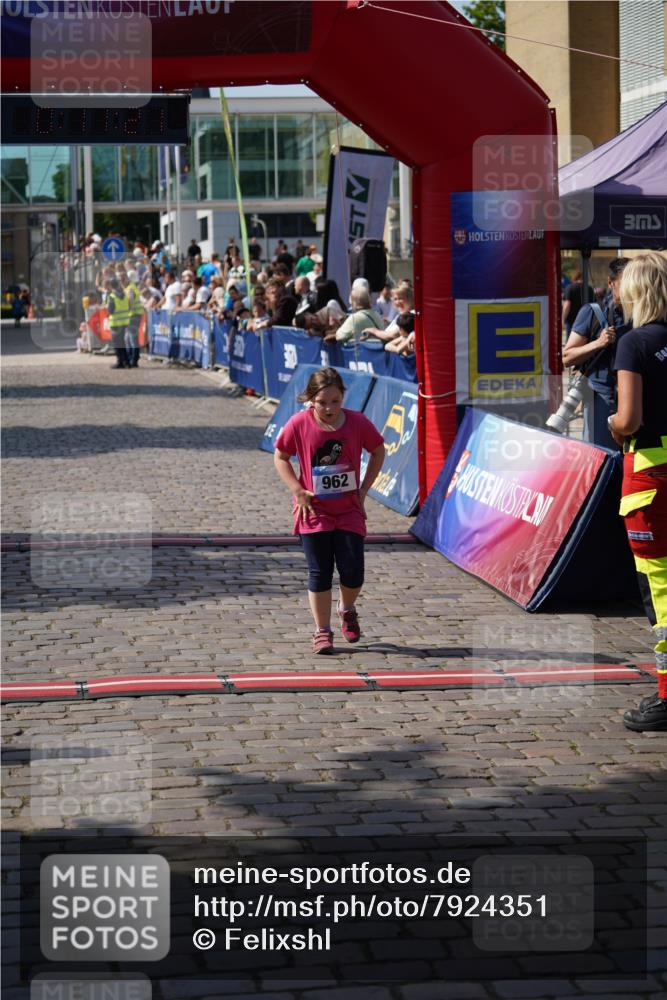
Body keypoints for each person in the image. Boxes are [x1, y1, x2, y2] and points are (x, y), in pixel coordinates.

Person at [274, 367, 385, 654]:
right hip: (313, 511)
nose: (329, 408)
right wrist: (297, 490)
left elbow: (378, 450)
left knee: (353, 572)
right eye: (322, 402)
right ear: (311, 399)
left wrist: (363, 490)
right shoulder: (299, 423)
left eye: (335, 401)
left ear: (343, 397)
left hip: (348, 510)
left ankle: (346, 608)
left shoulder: (358, 423)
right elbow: (281, 456)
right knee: (319, 572)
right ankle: (322, 630)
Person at [607, 252, 667, 732]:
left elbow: (628, 420)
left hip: (650, 475)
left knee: (661, 590)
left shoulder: (634, 343)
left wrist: (611, 422)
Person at [562, 258, 632, 448]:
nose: (630, 289)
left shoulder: (643, 314)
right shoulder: (592, 312)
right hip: (601, 399)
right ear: (611, 282)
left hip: (634, 397)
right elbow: (567, 357)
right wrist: (598, 343)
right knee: (601, 458)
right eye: (625, 283)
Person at [562, 268, 595, 335]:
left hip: (572, 320)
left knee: (571, 342)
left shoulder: (570, 288)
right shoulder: (589, 288)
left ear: (574, 277)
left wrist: (563, 319)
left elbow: (567, 305)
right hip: (586, 319)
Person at [106, 279, 131, 368]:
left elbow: (110, 310)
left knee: (117, 344)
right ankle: (126, 361)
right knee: (122, 343)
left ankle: (120, 362)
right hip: (124, 322)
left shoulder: (112, 296)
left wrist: (107, 308)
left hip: (115, 322)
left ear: (111, 286)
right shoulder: (124, 294)